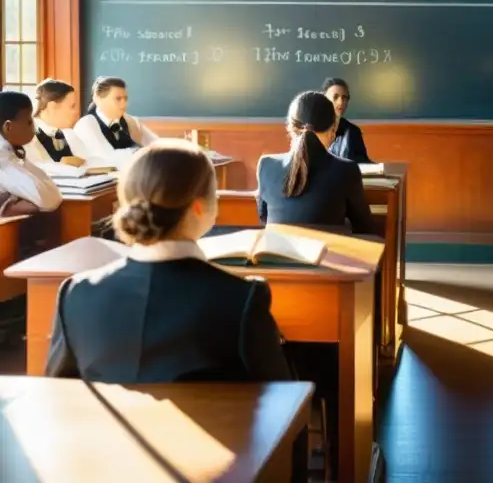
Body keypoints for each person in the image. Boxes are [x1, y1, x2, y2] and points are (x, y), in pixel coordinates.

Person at [45, 139, 291, 382]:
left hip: (104, 423)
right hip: (205, 423)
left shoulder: (76, 293)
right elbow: (281, 401)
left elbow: (58, 395)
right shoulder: (241, 298)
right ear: (198, 206)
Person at [257, 91, 376, 235]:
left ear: (290, 128)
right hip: (327, 256)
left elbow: (264, 216)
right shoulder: (346, 170)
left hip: (277, 255)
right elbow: (364, 226)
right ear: (333, 130)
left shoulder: (266, 165)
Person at [0, 90, 63, 216]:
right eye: (29, 122)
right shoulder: (2, 159)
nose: (34, 128)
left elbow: (53, 195)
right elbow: (48, 200)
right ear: (8, 127)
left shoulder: (10, 152)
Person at [73, 76, 158, 158]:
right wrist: (143, 151)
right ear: (98, 99)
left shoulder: (132, 122)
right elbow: (107, 157)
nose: (124, 104)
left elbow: (157, 145)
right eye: (118, 99)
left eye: (125, 99)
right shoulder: (86, 124)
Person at [26, 79, 85, 165]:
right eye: (72, 106)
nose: (76, 112)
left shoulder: (68, 134)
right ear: (52, 106)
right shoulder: (28, 137)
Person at [321, 78, 372, 163]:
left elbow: (363, 163)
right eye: (335, 97)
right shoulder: (312, 129)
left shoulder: (352, 131)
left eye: (344, 98)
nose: (341, 102)